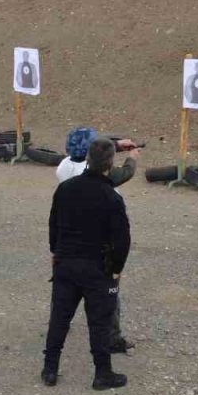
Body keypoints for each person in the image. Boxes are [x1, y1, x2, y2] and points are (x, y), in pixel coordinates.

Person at [43, 137, 130, 391]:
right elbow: (122, 239)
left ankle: (50, 369)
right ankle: (102, 374)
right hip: (97, 269)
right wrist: (116, 269)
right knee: (100, 323)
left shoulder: (65, 188)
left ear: (87, 160)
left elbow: (53, 224)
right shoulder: (112, 197)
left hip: (65, 263)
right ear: (110, 164)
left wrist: (55, 252)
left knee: (59, 319)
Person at [55, 127, 140, 356]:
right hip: (98, 242)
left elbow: (94, 150)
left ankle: (60, 328)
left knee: (66, 291)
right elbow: (122, 174)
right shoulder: (96, 175)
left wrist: (117, 144)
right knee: (109, 293)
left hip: (72, 241)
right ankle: (111, 339)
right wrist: (131, 158)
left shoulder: (64, 166)